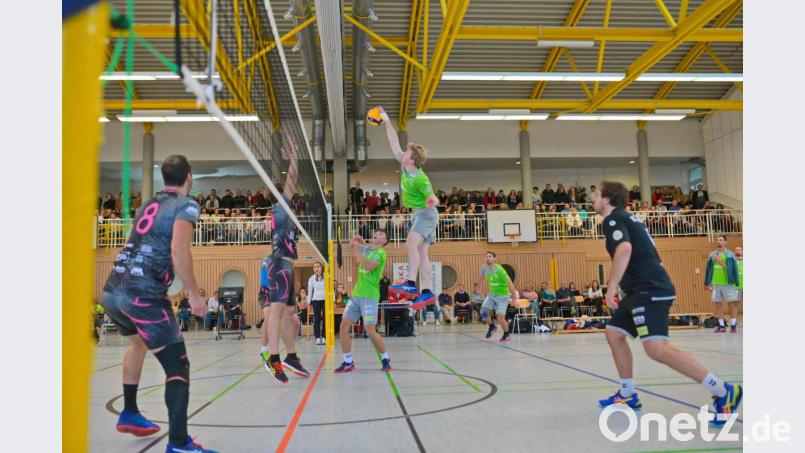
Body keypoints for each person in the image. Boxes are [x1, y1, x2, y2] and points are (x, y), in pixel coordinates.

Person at [592, 181, 741, 424]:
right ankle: (628, 394)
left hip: (649, 290)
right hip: (638, 291)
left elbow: (625, 249)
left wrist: (611, 287)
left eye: (596, 195)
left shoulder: (613, 219)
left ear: (607, 199)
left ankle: (724, 391)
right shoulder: (628, 219)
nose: (593, 199)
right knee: (614, 333)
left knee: (657, 350)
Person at [101, 155, 217, 452]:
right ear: (189, 177)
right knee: (178, 363)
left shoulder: (148, 204)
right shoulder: (187, 204)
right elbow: (179, 251)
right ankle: (178, 443)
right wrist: (193, 293)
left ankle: (129, 412)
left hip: (114, 290)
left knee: (137, 344)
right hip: (144, 294)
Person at [258, 138, 311, 384]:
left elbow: (289, 181)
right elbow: (292, 176)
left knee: (290, 312)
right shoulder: (281, 206)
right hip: (279, 263)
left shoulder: (283, 209)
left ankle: (291, 356)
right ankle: (274, 358)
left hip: (287, 264)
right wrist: (294, 154)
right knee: (278, 312)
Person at [379, 106, 438, 309]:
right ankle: (428, 292)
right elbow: (393, 141)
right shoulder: (405, 165)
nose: (402, 152)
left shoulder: (421, 179)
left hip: (427, 215)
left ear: (411, 160)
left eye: (406, 152)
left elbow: (433, 197)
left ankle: (411, 284)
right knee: (422, 253)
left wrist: (432, 201)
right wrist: (386, 119)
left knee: (410, 245)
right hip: (419, 215)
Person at [335, 231, 393, 373]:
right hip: (356, 295)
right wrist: (354, 240)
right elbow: (351, 246)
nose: (376, 234)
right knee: (343, 327)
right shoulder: (367, 249)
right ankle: (348, 361)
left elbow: (369, 266)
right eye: (376, 232)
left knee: (370, 331)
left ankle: (385, 358)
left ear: (384, 241)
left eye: (380, 234)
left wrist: (356, 250)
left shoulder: (380, 253)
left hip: (369, 296)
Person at [704, 236, 742, 333]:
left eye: (721, 240)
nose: (719, 241)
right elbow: (708, 269)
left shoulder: (729, 254)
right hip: (715, 284)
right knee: (718, 304)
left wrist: (720, 261)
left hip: (727, 283)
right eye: (718, 240)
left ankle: (733, 325)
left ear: (725, 242)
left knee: (732, 304)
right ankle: (722, 326)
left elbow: (732, 269)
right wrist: (707, 283)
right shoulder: (712, 254)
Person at [479, 251, 519, 343]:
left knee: (500, 318)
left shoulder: (500, 269)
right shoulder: (484, 268)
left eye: (490, 256)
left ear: (494, 259)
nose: (488, 258)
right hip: (491, 295)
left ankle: (506, 334)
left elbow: (510, 285)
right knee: (483, 312)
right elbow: (481, 278)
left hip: (502, 296)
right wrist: (478, 286)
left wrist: (514, 299)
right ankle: (492, 326)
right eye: (487, 256)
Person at [307, 262, 326, 345]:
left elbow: (331, 289)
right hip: (315, 300)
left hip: (325, 300)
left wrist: (332, 300)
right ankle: (318, 337)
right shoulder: (311, 279)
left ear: (321, 268)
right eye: (314, 267)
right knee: (317, 319)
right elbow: (310, 292)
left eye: (318, 267)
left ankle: (324, 336)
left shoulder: (326, 276)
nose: (316, 269)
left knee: (325, 318)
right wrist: (308, 303)